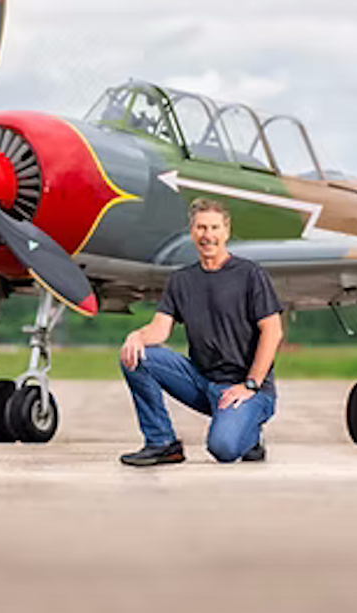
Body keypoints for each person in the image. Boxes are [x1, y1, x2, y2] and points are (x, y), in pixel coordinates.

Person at [119, 197, 283, 466]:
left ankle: (250, 432)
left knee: (223, 449)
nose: (208, 235)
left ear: (226, 231)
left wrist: (251, 384)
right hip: (202, 382)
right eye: (201, 228)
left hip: (247, 388)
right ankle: (162, 443)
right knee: (136, 357)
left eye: (214, 228)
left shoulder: (250, 274)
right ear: (192, 232)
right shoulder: (181, 280)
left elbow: (273, 331)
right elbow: (160, 330)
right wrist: (136, 336)